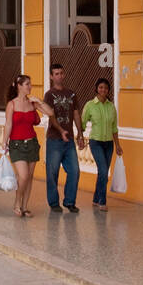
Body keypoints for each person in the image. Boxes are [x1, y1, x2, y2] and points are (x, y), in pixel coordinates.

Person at [3, 75, 56, 217]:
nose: (30, 86)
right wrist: (4, 142)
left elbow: (50, 112)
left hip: (32, 143)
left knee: (30, 176)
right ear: (19, 86)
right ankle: (17, 202)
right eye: (27, 84)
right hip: (16, 144)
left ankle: (24, 207)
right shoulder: (12, 104)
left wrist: (39, 101)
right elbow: (8, 124)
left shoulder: (33, 103)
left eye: (30, 84)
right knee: (23, 175)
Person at [43, 63, 85, 213]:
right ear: (51, 76)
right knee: (52, 172)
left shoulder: (71, 94)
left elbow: (75, 114)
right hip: (55, 139)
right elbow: (51, 115)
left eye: (61, 73)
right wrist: (61, 130)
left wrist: (80, 134)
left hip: (69, 141)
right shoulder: (49, 95)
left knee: (74, 170)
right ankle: (54, 202)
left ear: (64, 74)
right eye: (56, 74)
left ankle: (70, 201)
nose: (59, 76)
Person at [81, 77, 122, 210]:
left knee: (102, 172)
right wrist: (79, 137)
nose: (103, 90)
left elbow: (114, 128)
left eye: (105, 88)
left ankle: (95, 198)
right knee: (104, 171)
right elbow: (82, 123)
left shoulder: (111, 107)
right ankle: (102, 201)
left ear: (108, 90)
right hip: (96, 142)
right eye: (100, 87)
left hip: (109, 144)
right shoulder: (90, 105)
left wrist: (118, 145)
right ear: (97, 89)